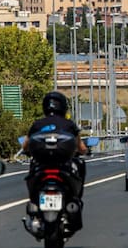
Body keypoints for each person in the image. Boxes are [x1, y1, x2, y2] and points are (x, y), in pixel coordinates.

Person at [22, 91, 87, 232]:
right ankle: (76, 197)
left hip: (42, 169)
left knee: (32, 169)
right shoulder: (69, 124)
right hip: (63, 168)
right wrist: (85, 151)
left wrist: (26, 151)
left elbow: (26, 146)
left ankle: (34, 201)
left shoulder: (37, 124)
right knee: (81, 164)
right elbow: (80, 147)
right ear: (63, 107)